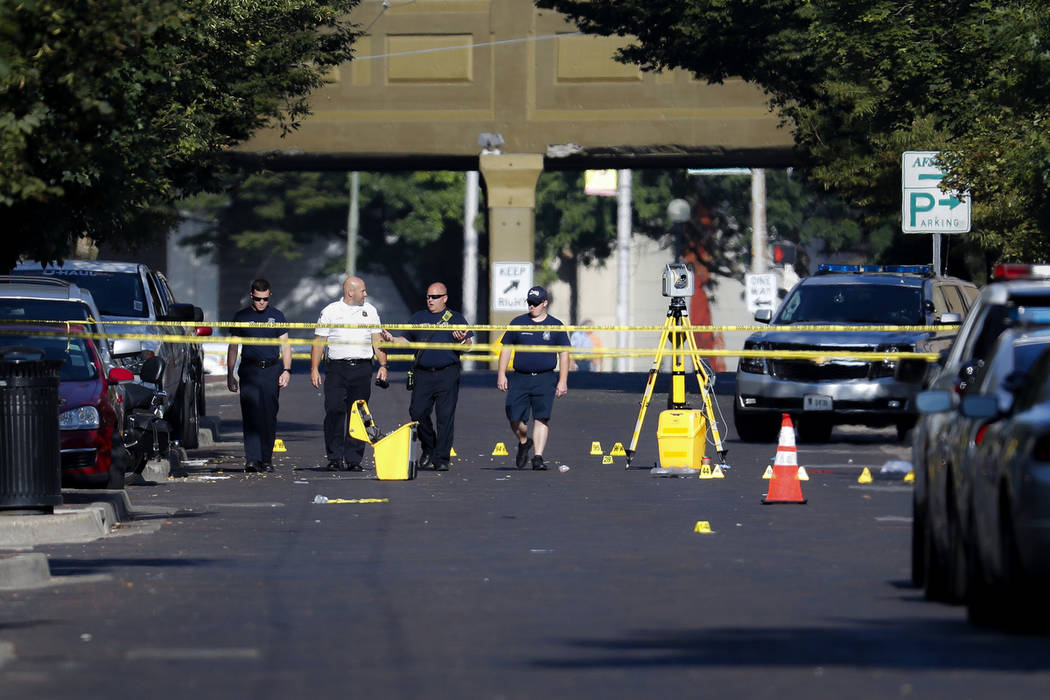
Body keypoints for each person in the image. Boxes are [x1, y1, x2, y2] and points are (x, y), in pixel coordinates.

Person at [388, 283, 473, 471]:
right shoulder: (418, 317)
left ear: (445, 298)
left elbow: (468, 344)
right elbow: (406, 339)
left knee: (445, 416)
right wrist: (392, 339)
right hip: (423, 373)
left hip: (447, 373)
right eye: (428, 296)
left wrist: (462, 340)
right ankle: (429, 447)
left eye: (435, 297)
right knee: (417, 413)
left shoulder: (455, 318)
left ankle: (442, 458)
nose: (430, 300)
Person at [310, 276, 390, 472]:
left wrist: (383, 364)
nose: (365, 294)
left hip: (362, 368)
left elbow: (376, 339)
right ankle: (335, 457)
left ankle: (354, 459)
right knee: (335, 410)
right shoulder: (330, 311)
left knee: (360, 413)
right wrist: (314, 368)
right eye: (362, 291)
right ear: (350, 292)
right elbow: (319, 341)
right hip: (337, 369)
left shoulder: (370, 310)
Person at [496, 285, 570, 470]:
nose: (532, 306)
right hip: (520, 377)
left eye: (536, 303)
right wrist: (501, 374)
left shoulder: (555, 325)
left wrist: (562, 380)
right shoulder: (517, 323)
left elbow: (564, 354)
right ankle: (523, 442)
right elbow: (506, 349)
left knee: (541, 417)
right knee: (514, 417)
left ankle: (538, 457)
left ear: (545, 303)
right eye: (529, 303)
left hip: (545, 378)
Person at [226, 279, 292, 473]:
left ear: (269, 295)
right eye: (257, 298)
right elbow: (233, 346)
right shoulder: (241, 316)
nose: (261, 302)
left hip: (272, 370)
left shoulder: (277, 315)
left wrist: (287, 370)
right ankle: (252, 459)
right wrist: (230, 374)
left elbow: (286, 346)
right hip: (249, 370)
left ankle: (266, 458)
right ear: (251, 295)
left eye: (264, 298)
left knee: (269, 415)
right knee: (251, 415)